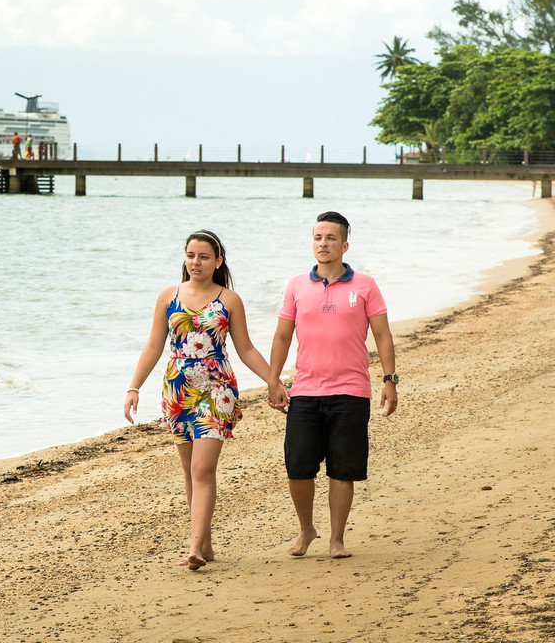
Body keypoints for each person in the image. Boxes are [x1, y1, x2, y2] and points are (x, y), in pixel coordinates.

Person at [124, 230, 289, 570]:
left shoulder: (229, 300)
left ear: (218, 261)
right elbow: (154, 345)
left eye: (202, 256)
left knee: (202, 469)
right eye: (190, 256)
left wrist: (273, 381)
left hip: (217, 389)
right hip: (178, 390)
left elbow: (244, 348)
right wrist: (134, 387)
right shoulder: (168, 296)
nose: (195, 262)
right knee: (190, 471)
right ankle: (206, 543)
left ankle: (195, 547)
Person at [268, 211, 397, 560]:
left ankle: (336, 538)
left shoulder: (365, 285)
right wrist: (273, 380)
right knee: (298, 467)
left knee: (343, 469)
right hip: (305, 391)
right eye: (317, 237)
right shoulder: (296, 285)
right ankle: (306, 528)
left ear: (344, 244)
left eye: (330, 238)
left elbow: (382, 335)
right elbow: (282, 336)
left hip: (352, 391)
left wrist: (389, 379)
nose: (323, 244)